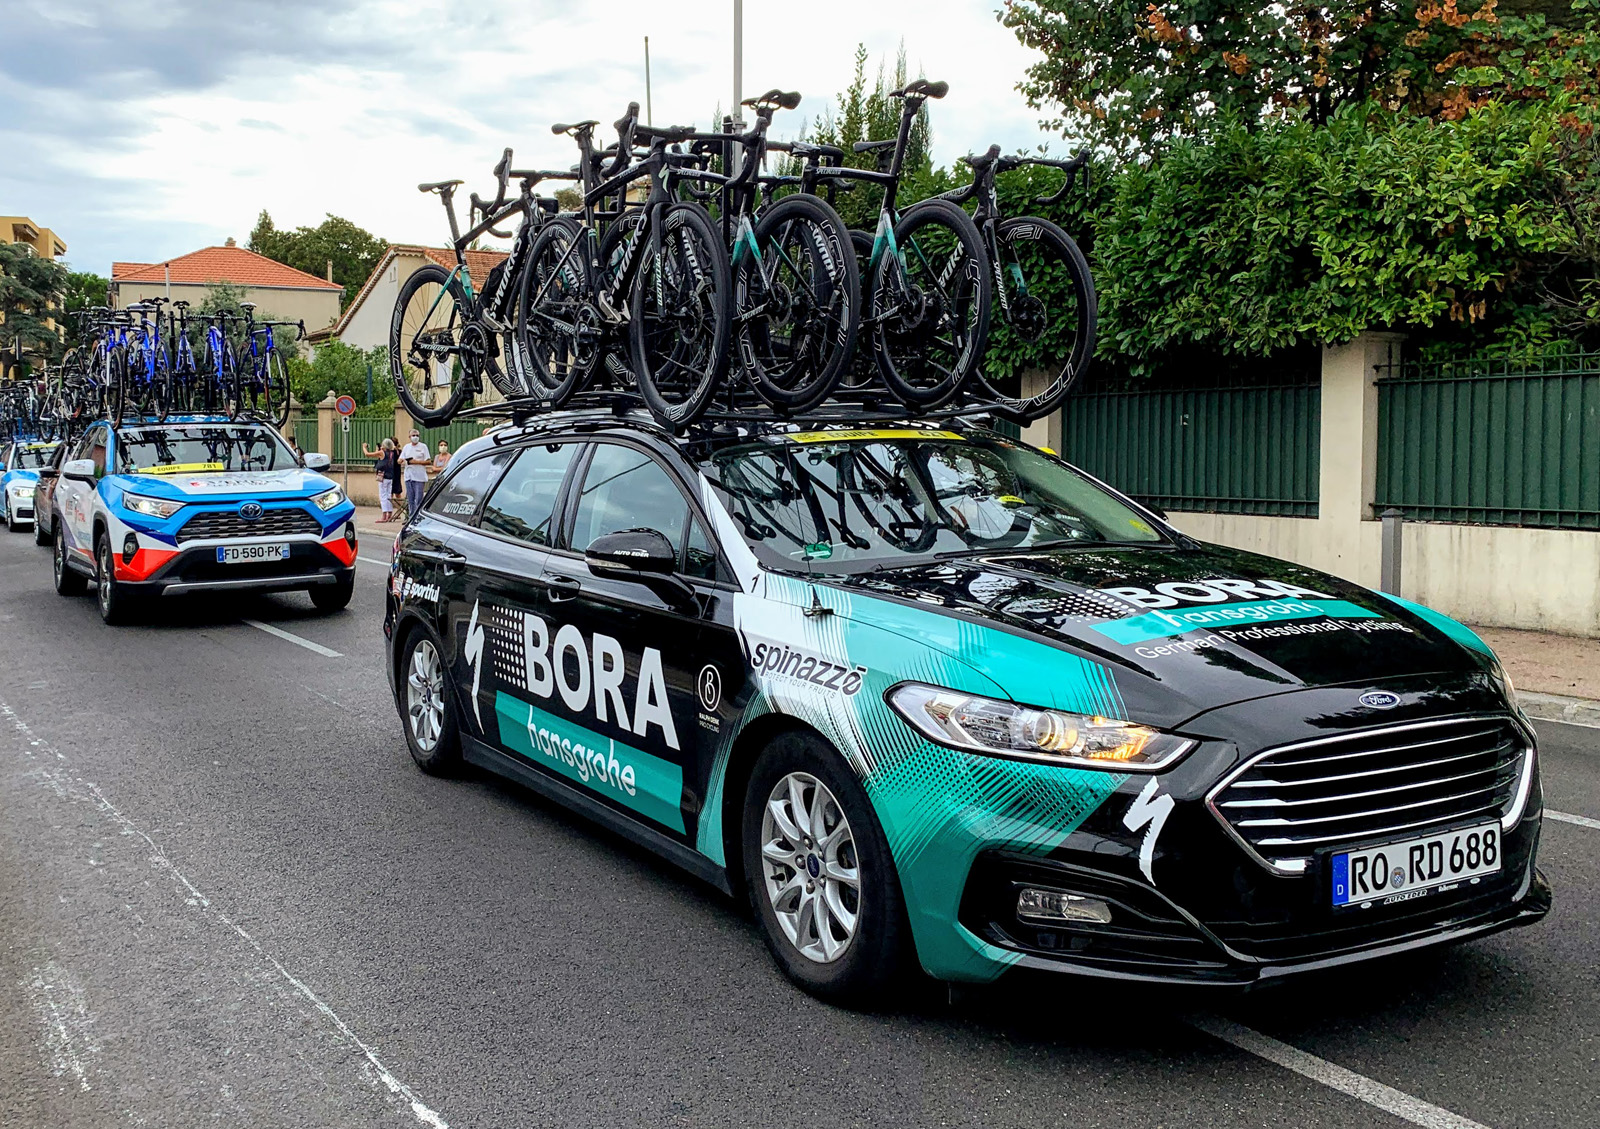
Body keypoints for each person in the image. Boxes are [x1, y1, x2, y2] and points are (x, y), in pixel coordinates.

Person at [400, 428, 431, 518]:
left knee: (418, 499)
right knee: (410, 499)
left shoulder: (423, 447)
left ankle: (418, 516)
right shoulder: (406, 447)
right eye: (413, 435)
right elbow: (401, 459)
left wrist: (415, 462)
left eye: (417, 435)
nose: (415, 437)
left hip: (419, 476)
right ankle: (411, 517)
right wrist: (400, 460)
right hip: (409, 476)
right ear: (409, 437)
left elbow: (428, 461)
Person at [375, 438, 401, 522]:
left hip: (384, 477)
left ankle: (384, 516)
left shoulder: (382, 453)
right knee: (388, 495)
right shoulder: (393, 453)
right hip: (391, 477)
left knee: (383, 496)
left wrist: (364, 447)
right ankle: (389, 514)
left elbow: (368, 454)